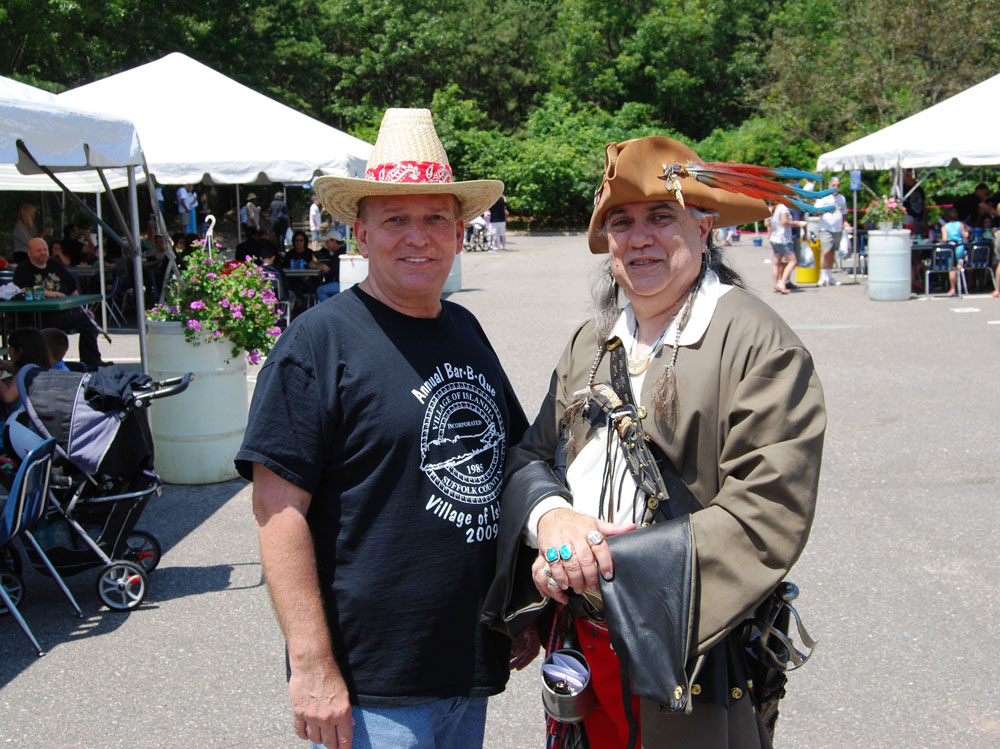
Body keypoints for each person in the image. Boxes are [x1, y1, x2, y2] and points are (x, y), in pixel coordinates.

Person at [483, 136, 826, 749]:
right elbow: (532, 457)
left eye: (660, 217)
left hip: (689, 653)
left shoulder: (755, 341)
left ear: (703, 226)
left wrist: (600, 566)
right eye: (622, 221)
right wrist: (553, 519)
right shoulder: (589, 342)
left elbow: (768, 510)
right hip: (581, 643)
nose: (639, 238)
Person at [236, 107, 531, 749]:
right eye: (394, 219)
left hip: (465, 664)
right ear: (361, 236)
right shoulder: (318, 343)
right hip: (372, 688)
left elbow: (510, 464)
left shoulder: (465, 329)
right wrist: (312, 665)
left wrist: (521, 600)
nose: (416, 237)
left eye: (434, 220)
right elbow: (276, 509)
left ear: (458, 233)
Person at [13, 238, 107, 370]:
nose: (43, 253)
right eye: (39, 250)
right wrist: (49, 293)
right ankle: (47, 364)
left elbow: (72, 288)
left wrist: (81, 308)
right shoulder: (23, 268)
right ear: (29, 253)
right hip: (40, 315)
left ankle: (92, 363)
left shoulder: (55, 264)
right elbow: (20, 289)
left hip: (64, 311)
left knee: (88, 321)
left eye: (45, 250)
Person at [0, 328, 51, 412]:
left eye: (10, 348)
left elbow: (7, 396)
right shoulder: (39, 368)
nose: (8, 351)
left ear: (20, 351)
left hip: (20, 420)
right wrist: (6, 365)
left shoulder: (23, 373)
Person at [814, 176, 848, 286]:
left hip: (837, 228)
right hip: (826, 227)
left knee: (832, 253)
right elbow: (815, 212)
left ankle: (829, 276)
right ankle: (823, 276)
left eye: (837, 185)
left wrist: (845, 222)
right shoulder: (823, 198)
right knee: (826, 252)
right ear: (829, 186)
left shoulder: (841, 198)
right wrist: (826, 210)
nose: (836, 187)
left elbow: (844, 213)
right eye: (833, 185)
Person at [767, 198, 803, 293]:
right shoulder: (783, 208)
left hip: (774, 237)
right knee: (793, 261)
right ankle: (783, 283)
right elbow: (784, 222)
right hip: (783, 238)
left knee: (776, 262)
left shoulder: (771, 208)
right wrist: (794, 223)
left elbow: (767, 223)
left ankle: (775, 284)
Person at [941, 207, 969, 296]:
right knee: (959, 265)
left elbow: (945, 239)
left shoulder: (945, 227)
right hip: (960, 247)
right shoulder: (960, 224)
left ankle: (953, 288)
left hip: (951, 247)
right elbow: (965, 236)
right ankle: (964, 284)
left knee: (952, 268)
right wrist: (967, 231)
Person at [314, 235, 346, 302]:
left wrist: (313, 265)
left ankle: (331, 310)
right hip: (341, 282)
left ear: (334, 241)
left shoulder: (340, 252)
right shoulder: (341, 250)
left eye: (327, 241)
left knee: (320, 290)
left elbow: (326, 268)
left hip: (341, 284)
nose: (326, 244)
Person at [902, 172, 926, 237]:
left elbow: (923, 205)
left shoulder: (919, 189)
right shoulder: (902, 189)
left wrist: (925, 223)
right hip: (907, 219)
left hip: (918, 219)